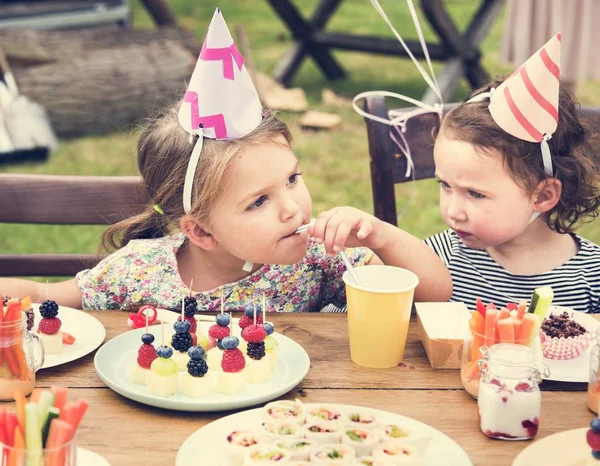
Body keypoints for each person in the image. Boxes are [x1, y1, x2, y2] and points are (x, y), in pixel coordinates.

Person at [0, 9, 452, 312]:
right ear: (199, 230)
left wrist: (383, 236)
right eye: (258, 201)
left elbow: (434, 297)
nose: (292, 208)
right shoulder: (140, 272)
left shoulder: (321, 261)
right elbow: (43, 295)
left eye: (292, 179)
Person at [425, 72, 600, 313]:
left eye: (475, 194)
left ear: (543, 196)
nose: (453, 212)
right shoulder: (439, 258)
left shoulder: (592, 278)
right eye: (445, 185)